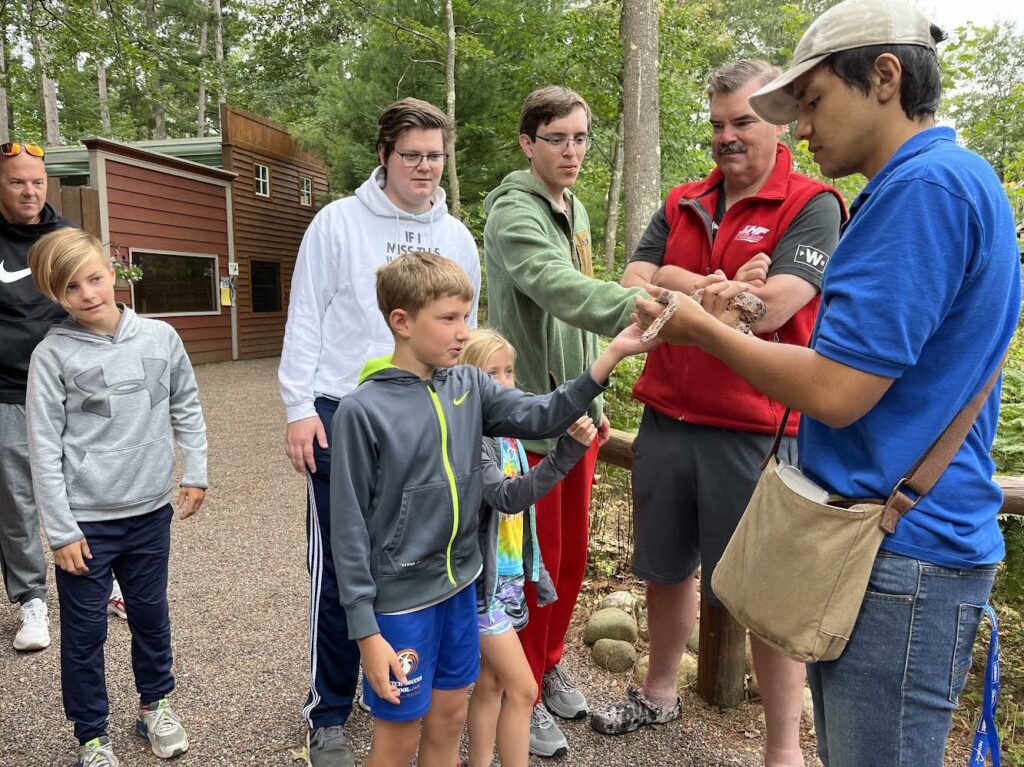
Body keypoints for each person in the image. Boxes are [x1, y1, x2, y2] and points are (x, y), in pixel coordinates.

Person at [632, 1, 1021, 764]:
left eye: (811, 102)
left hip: (899, 552)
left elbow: (838, 389)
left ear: (883, 78)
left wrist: (704, 326)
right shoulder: (940, 182)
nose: (801, 128)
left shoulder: (925, 192)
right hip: (887, 538)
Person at [591, 60, 844, 767]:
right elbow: (632, 281)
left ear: (781, 120)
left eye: (743, 122)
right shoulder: (683, 201)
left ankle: (781, 749)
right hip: (668, 415)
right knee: (666, 568)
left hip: (758, 430)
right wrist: (710, 288)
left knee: (765, 593)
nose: (726, 138)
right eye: (718, 124)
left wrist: (708, 299)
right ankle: (659, 692)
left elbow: (779, 309)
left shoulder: (812, 200)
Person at [330, 251, 650, 767]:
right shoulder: (361, 412)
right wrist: (365, 631)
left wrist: (608, 357)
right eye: (449, 318)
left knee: (450, 718)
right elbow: (346, 528)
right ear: (402, 322)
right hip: (401, 600)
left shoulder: (470, 386)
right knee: (399, 734)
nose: (463, 332)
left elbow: (541, 412)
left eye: (467, 316)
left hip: (462, 588)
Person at [278, 98, 481, 766]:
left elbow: (467, 335)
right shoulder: (337, 223)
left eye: (434, 155)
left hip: (427, 415)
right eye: (411, 155)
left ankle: (401, 688)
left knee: (421, 564)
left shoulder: (456, 236)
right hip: (342, 411)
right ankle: (329, 711)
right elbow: (305, 315)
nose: (424, 167)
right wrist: (298, 406)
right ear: (384, 155)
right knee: (344, 565)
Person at [483, 85, 647, 757]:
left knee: (571, 560)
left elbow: (577, 311)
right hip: (531, 423)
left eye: (581, 137)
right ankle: (516, 691)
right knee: (529, 568)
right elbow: (563, 289)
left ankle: (547, 661)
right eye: (558, 138)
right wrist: (642, 306)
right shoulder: (512, 215)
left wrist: (598, 402)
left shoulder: (574, 207)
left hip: (578, 413)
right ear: (528, 143)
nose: (573, 150)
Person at [25, 228, 208, 767]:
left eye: (95, 278)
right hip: (85, 525)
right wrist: (60, 531)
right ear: (53, 294)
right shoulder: (51, 356)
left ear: (113, 268)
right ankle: (92, 738)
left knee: (151, 616)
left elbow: (187, 409)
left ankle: (156, 706)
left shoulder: (161, 337)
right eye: (70, 288)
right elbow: (42, 447)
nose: (87, 294)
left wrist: (195, 471)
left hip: (150, 514)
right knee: (83, 636)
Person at [460, 329, 597, 767]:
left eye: (509, 371)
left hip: (507, 584)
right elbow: (510, 497)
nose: (506, 383)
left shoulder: (510, 438)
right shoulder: (474, 442)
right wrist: (566, 453)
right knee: (522, 689)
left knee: (492, 685)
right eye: (492, 374)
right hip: (482, 592)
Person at [0, 140, 73, 651]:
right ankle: (32, 600)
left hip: (67, 390)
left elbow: (90, 301)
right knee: (17, 503)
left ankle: (99, 575)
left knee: (84, 486)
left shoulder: (65, 236)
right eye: (16, 182)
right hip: (6, 392)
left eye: (38, 181)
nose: (30, 191)